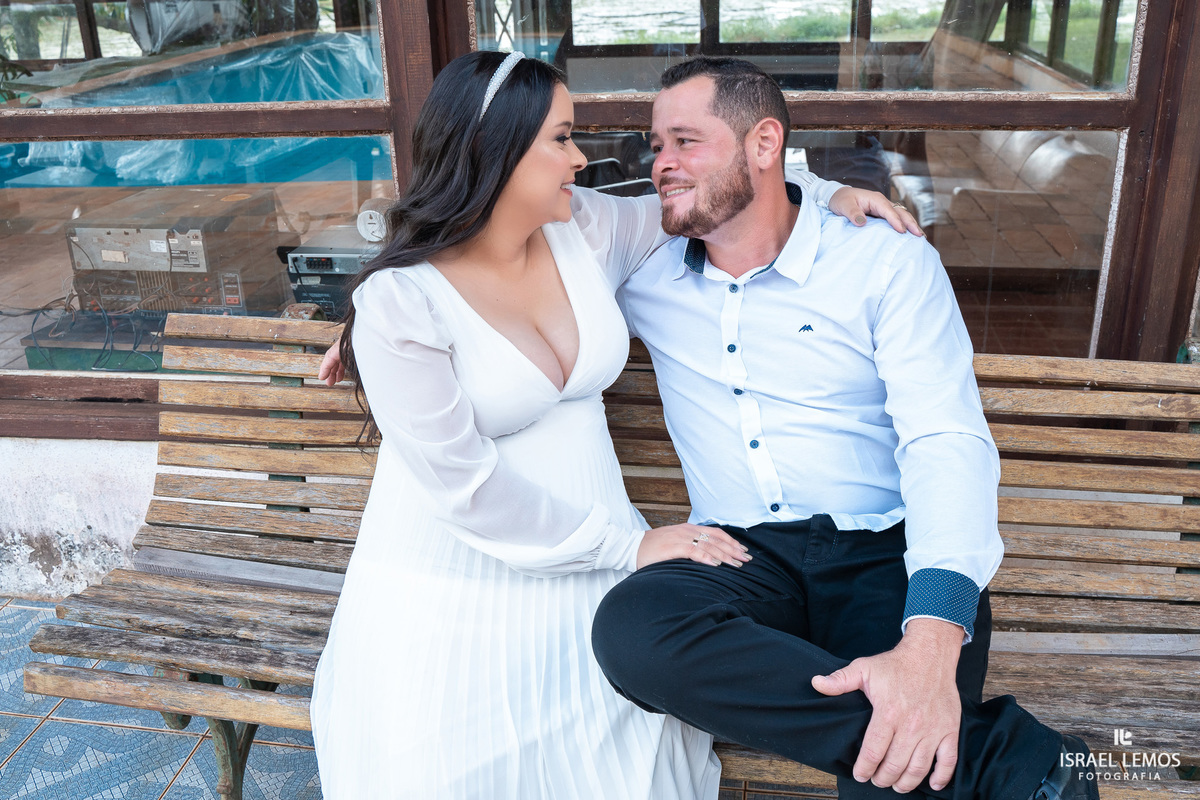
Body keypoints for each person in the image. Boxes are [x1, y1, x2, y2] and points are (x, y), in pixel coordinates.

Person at [308, 50, 912, 799]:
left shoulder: (587, 231)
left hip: (598, 576)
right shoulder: (401, 304)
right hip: (463, 577)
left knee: (617, 756)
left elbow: (727, 192)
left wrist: (826, 192)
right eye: (561, 139)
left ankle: (931, 738)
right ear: (493, 149)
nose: (583, 157)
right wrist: (630, 544)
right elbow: (461, 488)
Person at [587, 57, 1100, 800]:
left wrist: (929, 641)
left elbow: (943, 441)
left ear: (764, 144)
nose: (661, 164)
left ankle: (924, 740)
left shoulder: (883, 261)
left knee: (888, 783)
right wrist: (385, 301)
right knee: (634, 628)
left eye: (685, 141)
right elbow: (497, 231)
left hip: (882, 551)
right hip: (742, 556)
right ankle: (1005, 758)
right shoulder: (645, 266)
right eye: (655, 145)